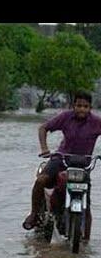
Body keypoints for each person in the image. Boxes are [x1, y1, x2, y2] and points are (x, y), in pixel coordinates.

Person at [23, 90, 101, 237]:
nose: (82, 109)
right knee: (41, 180)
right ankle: (33, 214)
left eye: (85, 106)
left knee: (87, 204)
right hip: (61, 159)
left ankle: (85, 241)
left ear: (90, 108)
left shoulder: (96, 122)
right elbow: (43, 128)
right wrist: (44, 148)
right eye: (79, 105)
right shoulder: (66, 117)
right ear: (73, 106)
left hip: (82, 164)